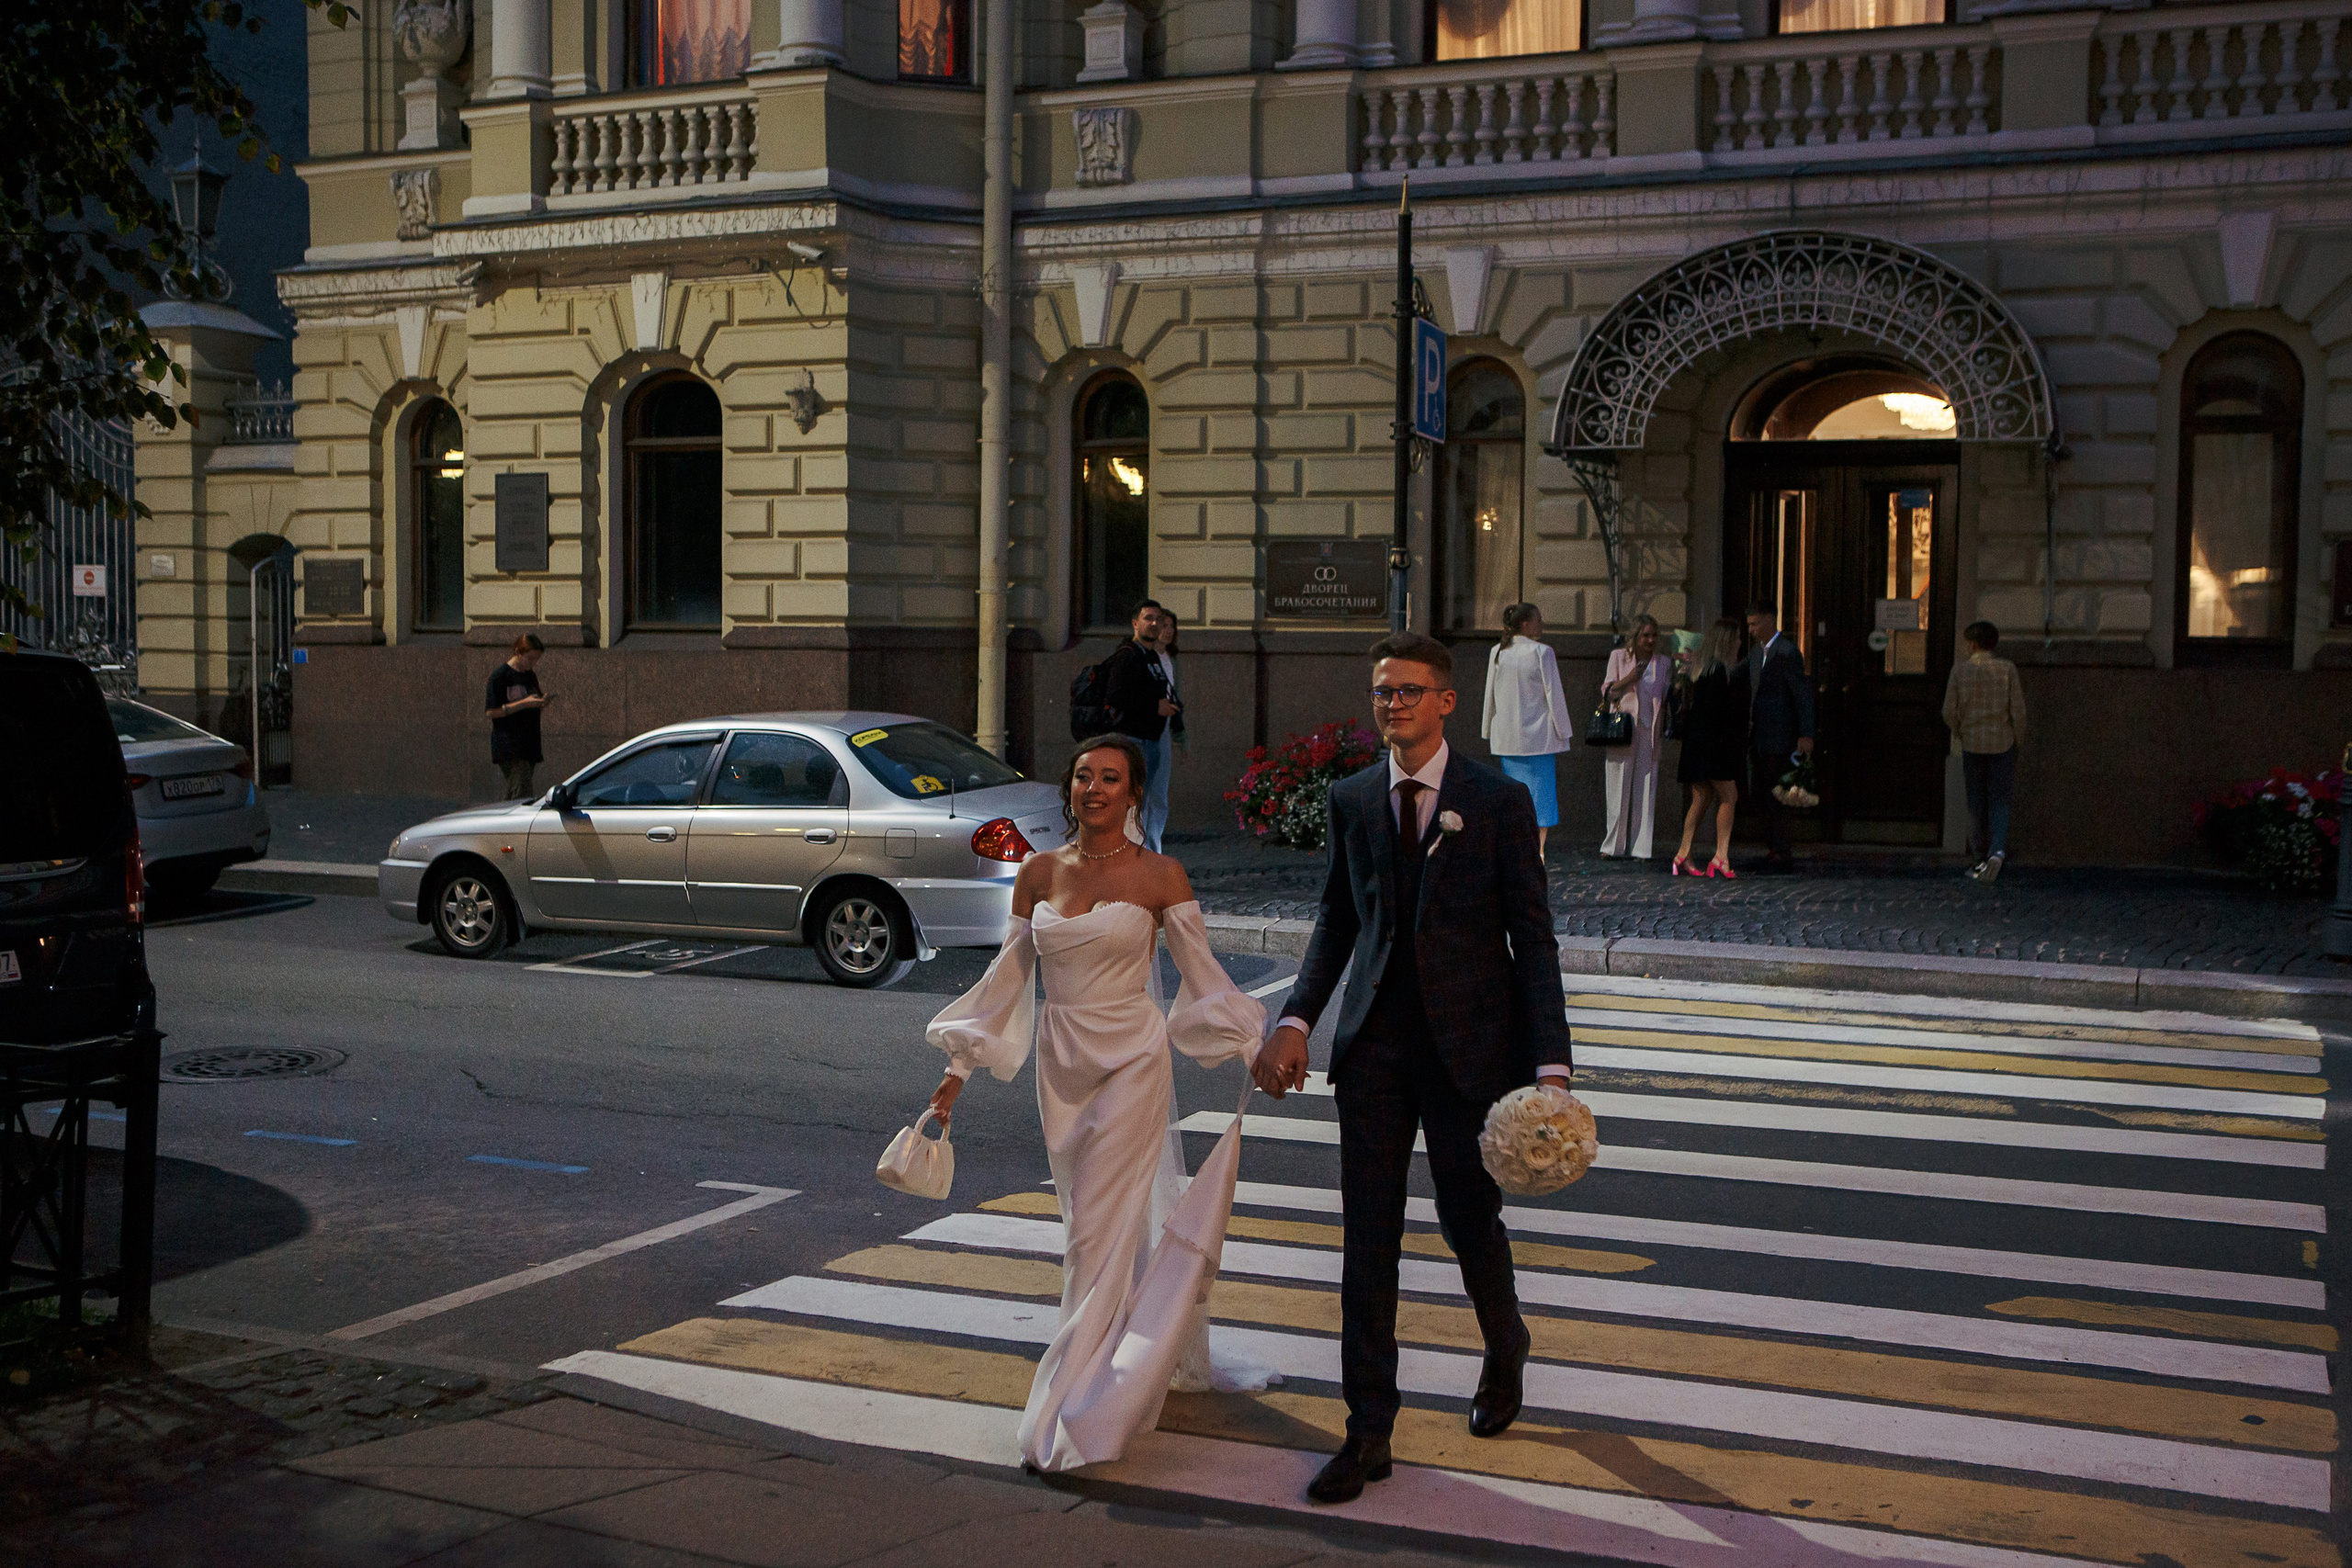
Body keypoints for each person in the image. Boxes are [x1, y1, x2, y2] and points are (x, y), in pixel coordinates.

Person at [1251, 631, 1574, 1506]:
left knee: (1471, 1221)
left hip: (1472, 1053)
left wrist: (1552, 1068)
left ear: (1446, 702)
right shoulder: (1354, 797)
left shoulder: (1498, 802)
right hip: (1377, 1053)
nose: (1391, 702)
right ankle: (1369, 1431)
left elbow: (1533, 942)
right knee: (1369, 1240)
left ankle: (1505, 1348)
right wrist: (1295, 1019)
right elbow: (1338, 921)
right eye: (1382, 690)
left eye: (1408, 689)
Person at [922, 736, 1269, 1472]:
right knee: (1086, 1228)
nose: (1095, 787)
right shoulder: (1038, 872)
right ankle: (1112, 1359)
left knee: (1097, 1241)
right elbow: (1007, 979)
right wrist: (958, 1070)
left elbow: (1202, 974)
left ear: (1135, 793)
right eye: (1083, 775)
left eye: (1111, 777)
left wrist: (1251, 1044)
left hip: (1134, 1064)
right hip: (1064, 1066)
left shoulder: (1160, 875)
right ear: (1069, 787)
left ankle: (1070, 1406)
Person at [1481, 603, 1573, 859]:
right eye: (1538, 620)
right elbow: (1554, 694)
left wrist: (1488, 728)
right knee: (1541, 797)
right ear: (1525, 624)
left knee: (1513, 795)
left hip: (1508, 737)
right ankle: (1538, 850)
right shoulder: (1542, 652)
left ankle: (1517, 848)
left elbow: (1490, 695)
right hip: (1539, 737)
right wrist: (1563, 730)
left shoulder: (1498, 652)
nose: (1541, 624)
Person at [1942, 619, 2028, 885]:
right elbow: (2019, 711)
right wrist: (2017, 739)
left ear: (1973, 643)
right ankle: (1997, 851)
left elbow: (1948, 711)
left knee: (1975, 801)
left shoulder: (1960, 671)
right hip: (2002, 743)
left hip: (1973, 744)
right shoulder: (2007, 669)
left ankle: (1978, 858)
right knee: (2000, 799)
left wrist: (1959, 730)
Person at [1097, 600, 1181, 852]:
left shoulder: (1152, 656)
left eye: (1157, 618)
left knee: (1146, 805)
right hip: (1133, 741)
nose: (1154, 623)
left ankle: (1145, 857)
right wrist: (1155, 707)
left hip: (1151, 741)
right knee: (1132, 806)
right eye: (1148, 618)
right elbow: (1116, 697)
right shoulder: (1127, 656)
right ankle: (1128, 861)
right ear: (1135, 624)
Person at [1670, 618, 1750, 878]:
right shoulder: (1717, 671)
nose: (1740, 642)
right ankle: (1721, 856)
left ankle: (1683, 853)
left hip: (1698, 746)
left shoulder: (1704, 670)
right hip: (1714, 747)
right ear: (1727, 640)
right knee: (1730, 796)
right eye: (1737, 637)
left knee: (1701, 798)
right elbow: (1718, 715)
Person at [1744, 601, 1815, 874]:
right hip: (1759, 738)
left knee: (1779, 796)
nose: (1751, 630)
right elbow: (1738, 675)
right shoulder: (1755, 653)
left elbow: (1802, 694)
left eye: (1755, 624)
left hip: (1780, 737)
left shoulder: (1786, 653)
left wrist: (1805, 733)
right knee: (1763, 794)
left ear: (1769, 620)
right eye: (1749, 625)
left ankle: (1782, 853)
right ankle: (1772, 849)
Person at [1599, 615, 1672, 859]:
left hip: (1649, 731)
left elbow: (1667, 694)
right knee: (1618, 786)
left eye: (1654, 635)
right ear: (1636, 636)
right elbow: (1609, 693)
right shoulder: (1619, 657)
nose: (1650, 640)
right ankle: (1613, 846)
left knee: (1646, 789)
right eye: (1645, 635)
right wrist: (1631, 678)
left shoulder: (1663, 663)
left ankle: (1641, 847)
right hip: (1622, 728)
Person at [485, 634, 548, 800]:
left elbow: (533, 702)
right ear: (518, 652)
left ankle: (503, 823)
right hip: (510, 744)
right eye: (530, 658)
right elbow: (491, 711)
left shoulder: (529, 676)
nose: (533, 663)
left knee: (517, 791)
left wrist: (541, 703)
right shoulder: (501, 676)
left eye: (536, 660)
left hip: (529, 743)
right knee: (522, 793)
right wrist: (523, 704)